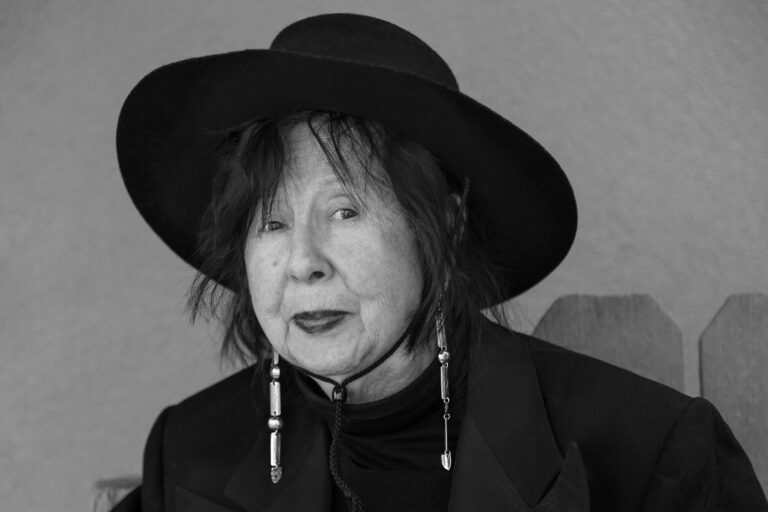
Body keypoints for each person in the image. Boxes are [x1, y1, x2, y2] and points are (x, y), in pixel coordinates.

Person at [112, 13, 766, 512]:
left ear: (446, 224)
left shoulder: (652, 455)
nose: (303, 263)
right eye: (272, 222)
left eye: (346, 212)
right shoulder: (188, 455)